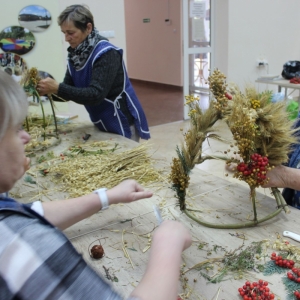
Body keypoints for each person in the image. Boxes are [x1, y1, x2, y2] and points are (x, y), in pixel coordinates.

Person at [0, 70, 192, 299]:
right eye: (16, 129)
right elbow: (20, 229)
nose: (27, 138)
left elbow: (28, 213)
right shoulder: (19, 244)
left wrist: (107, 196)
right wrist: (167, 243)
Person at [37, 4, 150, 142]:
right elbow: (68, 91)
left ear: (88, 28)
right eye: (64, 33)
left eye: (71, 32)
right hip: (102, 120)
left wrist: (57, 88)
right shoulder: (75, 56)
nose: (66, 38)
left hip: (122, 120)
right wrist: (46, 91)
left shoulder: (107, 53)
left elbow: (96, 95)